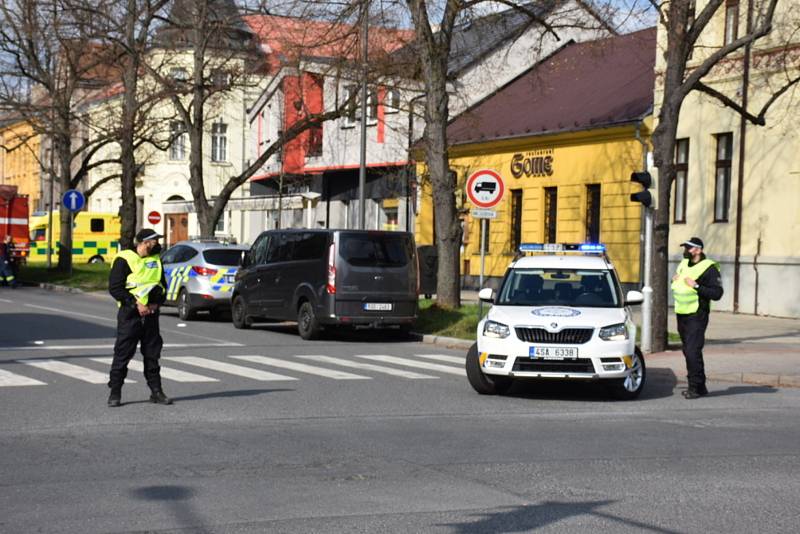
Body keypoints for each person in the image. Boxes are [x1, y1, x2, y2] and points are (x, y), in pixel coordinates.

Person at [107, 229, 171, 407]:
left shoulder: (156, 260)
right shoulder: (124, 259)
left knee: (152, 354)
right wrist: (136, 304)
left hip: (151, 315)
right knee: (123, 354)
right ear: (144, 242)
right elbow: (115, 288)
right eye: (154, 241)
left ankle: (156, 391)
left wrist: (156, 303)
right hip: (130, 315)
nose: (157, 243)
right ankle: (115, 392)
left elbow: (162, 286)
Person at [671, 237, 723, 399]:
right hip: (682, 313)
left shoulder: (709, 268)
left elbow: (717, 294)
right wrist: (675, 280)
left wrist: (697, 286)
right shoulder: (683, 264)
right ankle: (700, 386)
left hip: (697, 314)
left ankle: (694, 387)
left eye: (689, 248)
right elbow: (680, 285)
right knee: (688, 351)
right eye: (685, 247)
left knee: (693, 351)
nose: (686, 250)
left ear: (698, 250)